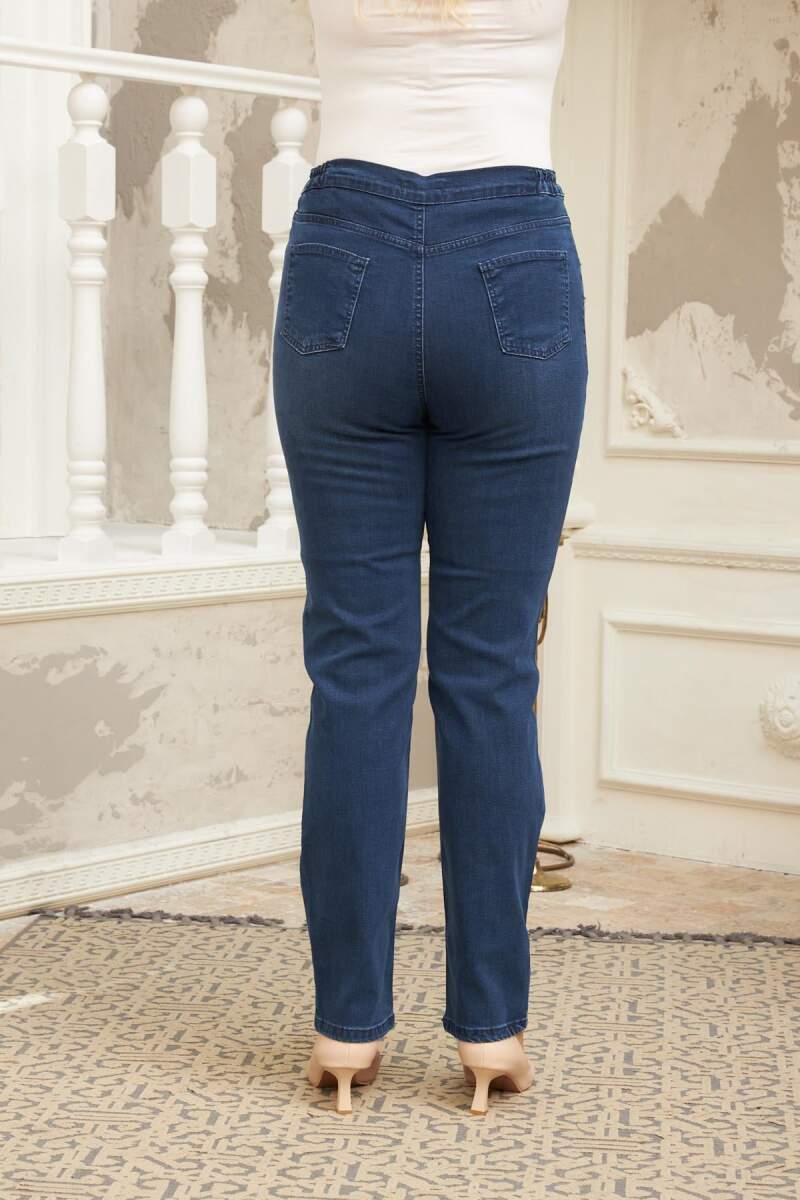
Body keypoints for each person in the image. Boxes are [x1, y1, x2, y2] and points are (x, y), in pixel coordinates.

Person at [272, 0, 585, 1116]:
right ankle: (491, 1029)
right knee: (490, 672)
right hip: (514, 252)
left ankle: (344, 1029)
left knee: (355, 671)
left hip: (342, 251)